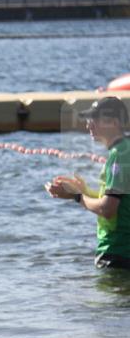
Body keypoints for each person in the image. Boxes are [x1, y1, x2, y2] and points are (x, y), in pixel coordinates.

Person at [46, 96, 130, 269]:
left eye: (95, 119)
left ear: (114, 122)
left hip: (117, 252)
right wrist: (83, 191)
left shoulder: (120, 155)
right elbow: (120, 199)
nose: (88, 125)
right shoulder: (124, 150)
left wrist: (77, 197)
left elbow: (108, 208)